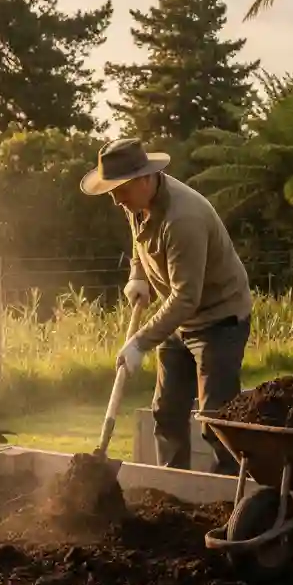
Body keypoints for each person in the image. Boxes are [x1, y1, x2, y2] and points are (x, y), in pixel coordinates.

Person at [79, 136, 252, 474]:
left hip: (218, 321)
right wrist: (138, 274)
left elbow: (187, 297)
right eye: (112, 192)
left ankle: (227, 500)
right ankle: (173, 491)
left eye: (120, 191)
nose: (116, 202)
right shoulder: (138, 203)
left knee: (216, 421)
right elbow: (139, 240)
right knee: (167, 413)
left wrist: (141, 342)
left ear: (145, 179)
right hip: (177, 320)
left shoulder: (182, 219)